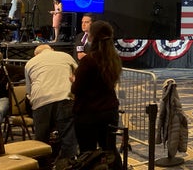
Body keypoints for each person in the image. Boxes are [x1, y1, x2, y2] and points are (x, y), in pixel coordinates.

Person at [71, 20, 122, 169]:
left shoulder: (88, 61)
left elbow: (76, 89)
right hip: (110, 111)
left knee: (88, 154)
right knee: (110, 151)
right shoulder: (114, 59)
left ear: (92, 37)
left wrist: (74, 79)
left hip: (88, 113)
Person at [25, 44, 78, 161]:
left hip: (41, 100)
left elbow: (28, 91)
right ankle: (68, 164)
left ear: (36, 54)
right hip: (65, 97)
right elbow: (78, 77)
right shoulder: (66, 56)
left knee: (41, 139)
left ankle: (43, 164)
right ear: (52, 50)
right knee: (68, 136)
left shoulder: (30, 63)